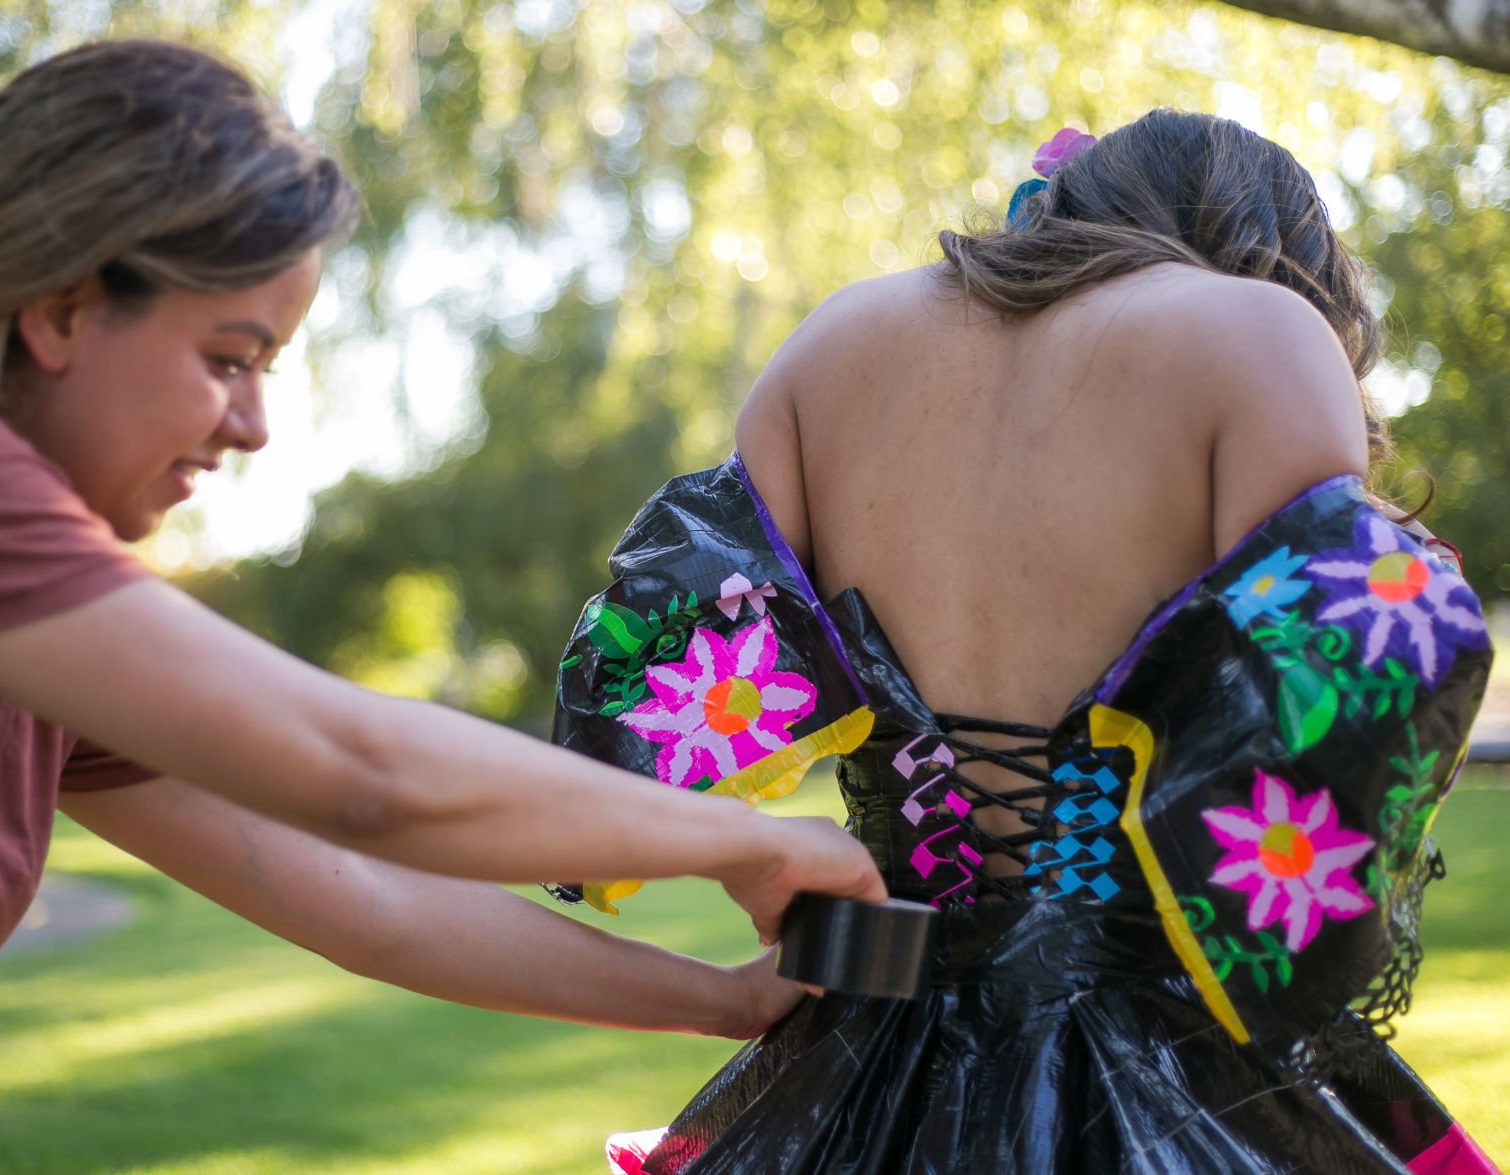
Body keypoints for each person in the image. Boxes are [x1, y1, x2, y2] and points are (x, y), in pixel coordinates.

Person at [0, 39, 891, 1174]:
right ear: (60, 311)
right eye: (228, 357)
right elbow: (356, 774)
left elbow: (365, 898)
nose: (251, 428)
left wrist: (724, 999)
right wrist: (732, 836)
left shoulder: (21, 631)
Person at [550, 112, 1498, 1172]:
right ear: (1273, 247)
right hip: (1173, 1084)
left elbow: (663, 675)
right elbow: (1316, 732)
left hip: (853, 1061)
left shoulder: (831, 345)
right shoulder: (1263, 334)